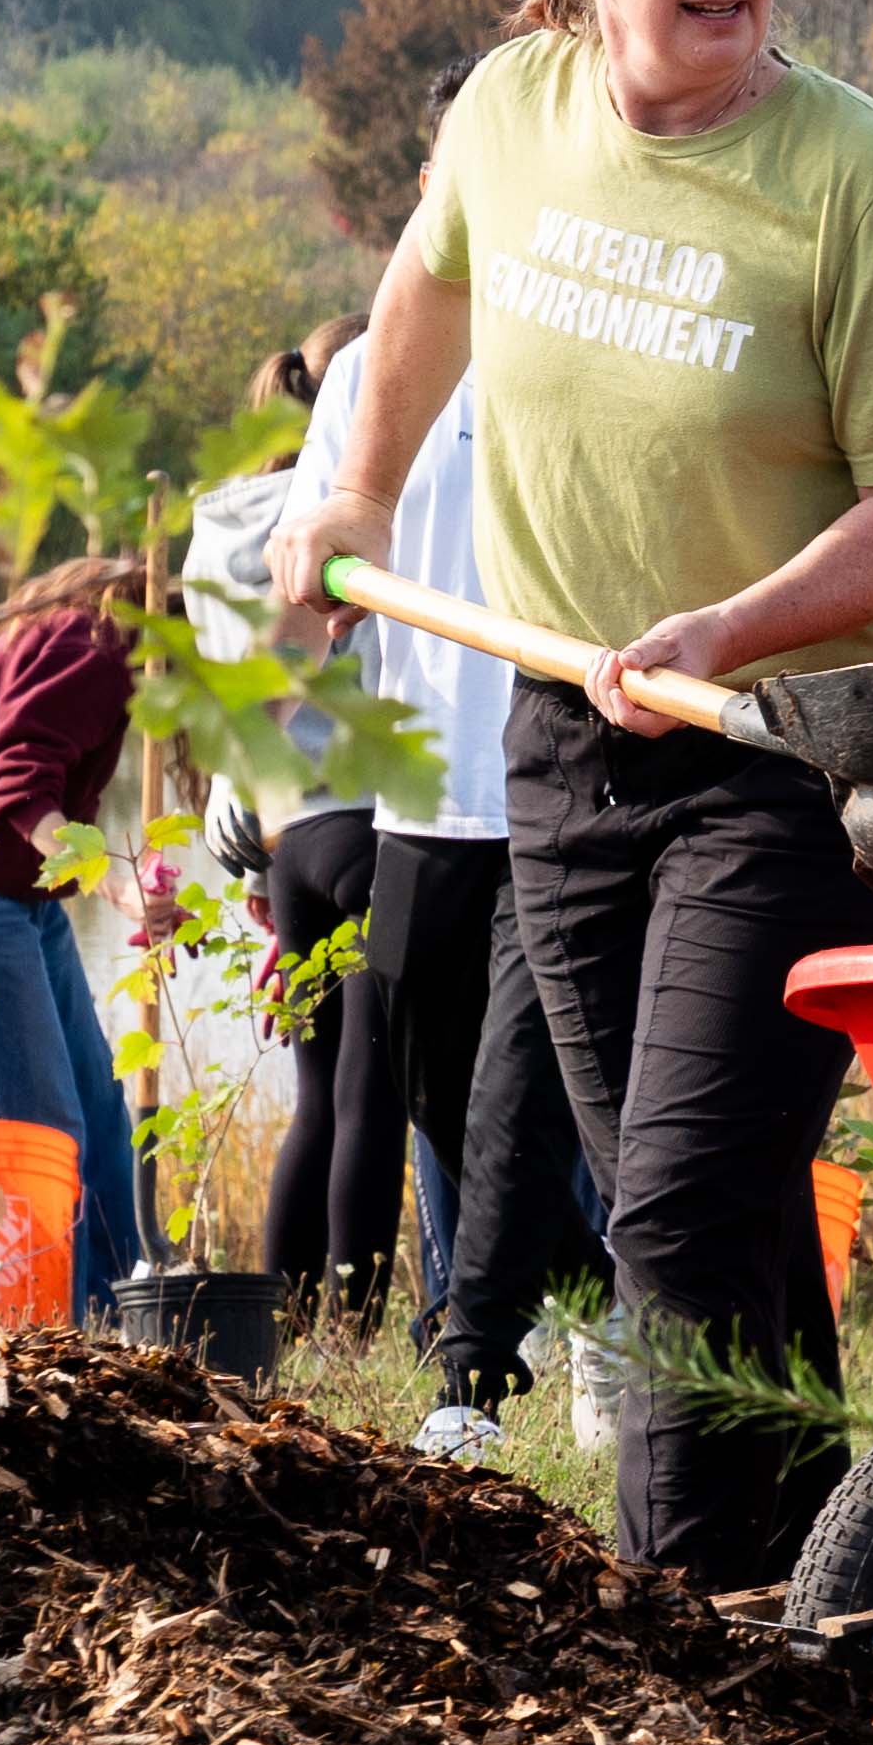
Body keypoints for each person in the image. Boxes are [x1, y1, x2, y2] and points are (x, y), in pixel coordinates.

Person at [267, 0, 873, 1585]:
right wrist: (349, 486)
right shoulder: (511, 108)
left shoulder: (860, 178)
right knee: (713, 1208)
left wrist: (729, 631)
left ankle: (678, 1614)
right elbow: (424, 293)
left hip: (796, 745)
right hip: (569, 740)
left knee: (670, 1210)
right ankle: (833, 1582)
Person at [280, 304, 602, 1457]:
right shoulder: (370, 370)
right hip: (417, 793)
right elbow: (305, 564)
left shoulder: (582, 339)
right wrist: (301, 584)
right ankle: (609, 1300)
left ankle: (468, 1380)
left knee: (519, 1094)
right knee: (436, 1096)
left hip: (557, 784)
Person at [183, 318, 390, 1322]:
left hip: (283, 838)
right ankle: (359, 1322)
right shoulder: (352, 519)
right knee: (375, 1095)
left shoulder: (218, 532)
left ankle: (292, 1315)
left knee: (318, 1092)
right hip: (373, 820)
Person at [0, 561, 152, 1317]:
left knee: (96, 1107)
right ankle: (43, 1335)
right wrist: (118, 887)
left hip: (24, 897)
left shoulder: (71, 631)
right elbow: (17, 779)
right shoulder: (102, 646)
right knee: (41, 1132)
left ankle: (125, 1317)